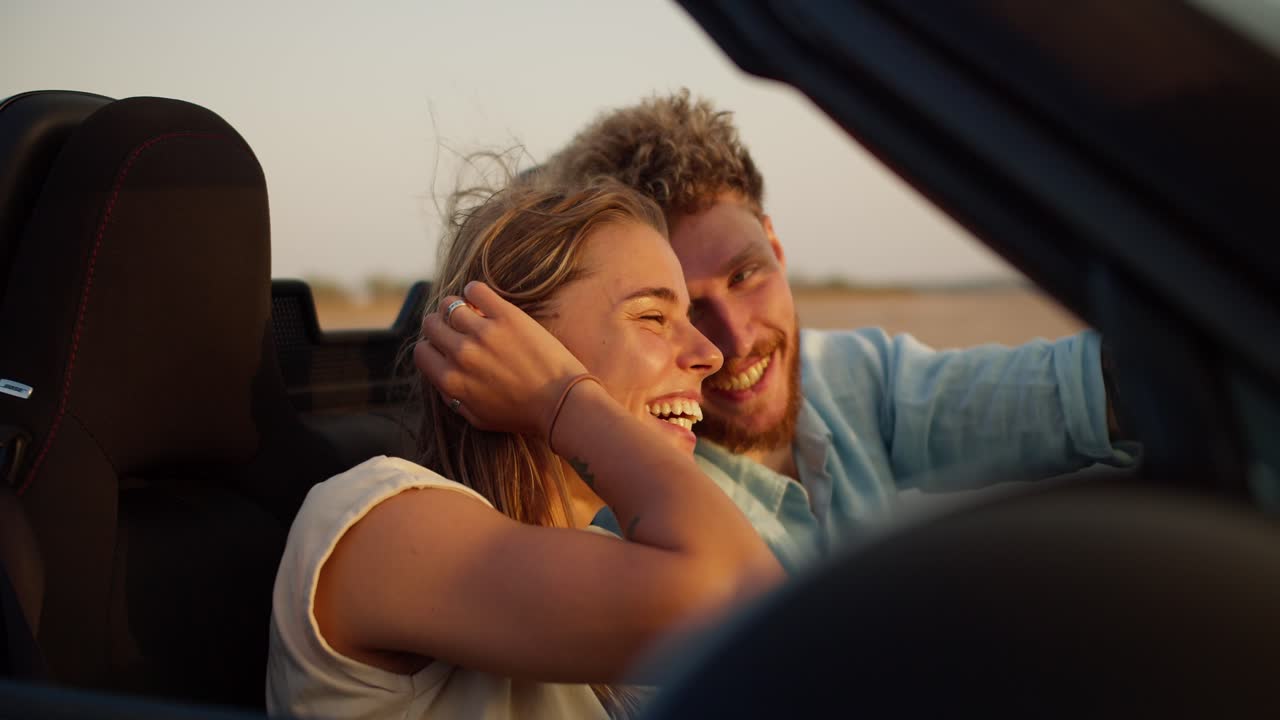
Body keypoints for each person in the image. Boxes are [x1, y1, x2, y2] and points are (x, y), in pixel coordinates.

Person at [540, 90, 1138, 567]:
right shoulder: (627, 506)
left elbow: (1061, 393)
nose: (734, 340)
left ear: (776, 246)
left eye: (745, 275)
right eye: (684, 311)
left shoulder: (850, 376)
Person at [266, 175, 784, 719]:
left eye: (688, 319)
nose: (710, 353)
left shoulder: (598, 555)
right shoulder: (379, 526)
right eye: (652, 317)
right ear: (506, 340)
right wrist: (560, 397)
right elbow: (748, 608)